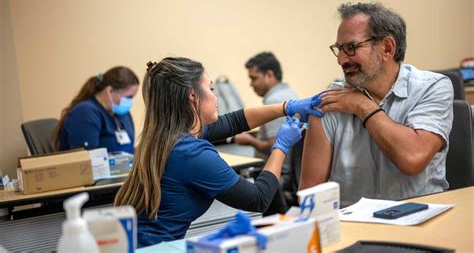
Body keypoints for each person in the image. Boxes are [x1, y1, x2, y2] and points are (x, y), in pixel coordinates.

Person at [113, 57, 321, 247]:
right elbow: (258, 198)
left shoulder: (167, 136)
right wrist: (281, 146)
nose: (216, 97)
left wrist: (287, 107)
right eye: (211, 89)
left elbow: (235, 121)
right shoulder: (191, 153)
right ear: (193, 96)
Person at [300, 2, 453, 208]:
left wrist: (363, 106)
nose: (342, 60)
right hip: (353, 228)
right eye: (339, 49)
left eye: (351, 48)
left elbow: (412, 158)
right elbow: (310, 193)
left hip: (420, 221)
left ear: (387, 48)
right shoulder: (332, 100)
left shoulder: (432, 87)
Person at [234, 52, 299, 204]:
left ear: (269, 75)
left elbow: (273, 146)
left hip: (276, 177)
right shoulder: (289, 93)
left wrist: (249, 140)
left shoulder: (274, 100)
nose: (251, 84)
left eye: (254, 78)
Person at [54, 66, 139, 154]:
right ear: (110, 91)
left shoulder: (123, 114)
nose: (130, 101)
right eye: (129, 97)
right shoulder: (85, 112)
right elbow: (86, 160)